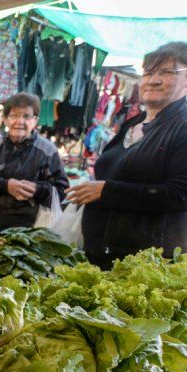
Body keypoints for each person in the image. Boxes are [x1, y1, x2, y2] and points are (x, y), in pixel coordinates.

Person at [67, 42, 187, 268]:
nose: (154, 80)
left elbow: (180, 194)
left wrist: (107, 191)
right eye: (149, 72)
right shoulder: (133, 123)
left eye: (167, 72)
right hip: (107, 253)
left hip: (146, 263)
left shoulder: (182, 125)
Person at [0, 92, 69, 229]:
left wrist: (38, 190)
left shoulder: (47, 151)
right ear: (5, 119)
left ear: (35, 120)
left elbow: (62, 190)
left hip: (29, 231)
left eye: (27, 116)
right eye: (14, 115)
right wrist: (5, 185)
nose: (20, 122)